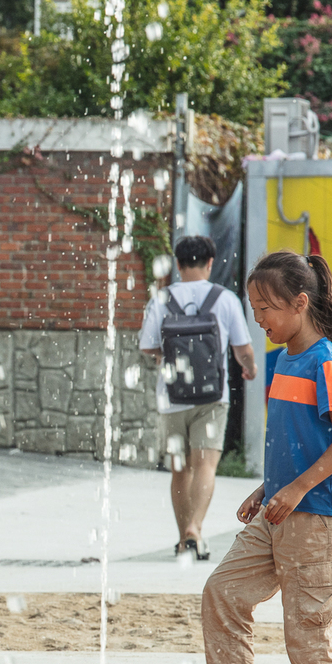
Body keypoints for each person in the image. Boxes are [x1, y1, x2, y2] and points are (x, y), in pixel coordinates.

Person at [176, 250, 332, 664]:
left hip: (320, 514)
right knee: (224, 589)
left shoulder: (325, 360)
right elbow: (299, 439)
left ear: (301, 303)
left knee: (306, 627)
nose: (259, 317)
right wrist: (268, 487)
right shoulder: (283, 361)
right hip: (280, 507)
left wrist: (297, 489)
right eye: (254, 306)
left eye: (267, 307)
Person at [139, 235, 257, 559]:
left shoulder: (161, 299)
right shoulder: (225, 299)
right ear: (209, 263)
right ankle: (196, 529)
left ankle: (183, 541)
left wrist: (171, 357)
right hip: (212, 397)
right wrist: (250, 368)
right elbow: (242, 348)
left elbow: (148, 346)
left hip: (171, 398)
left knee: (180, 470)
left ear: (178, 265)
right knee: (205, 466)